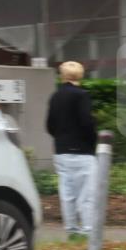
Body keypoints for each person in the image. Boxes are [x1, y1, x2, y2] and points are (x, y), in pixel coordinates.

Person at [46, 60, 98, 239]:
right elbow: (87, 123)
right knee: (87, 194)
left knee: (67, 193)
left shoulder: (55, 96)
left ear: (62, 75)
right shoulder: (82, 95)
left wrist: (60, 137)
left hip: (61, 151)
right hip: (83, 151)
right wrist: (92, 142)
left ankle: (71, 231)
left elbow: (50, 125)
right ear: (80, 75)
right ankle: (88, 231)